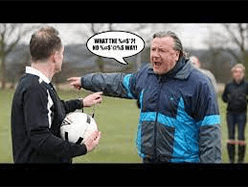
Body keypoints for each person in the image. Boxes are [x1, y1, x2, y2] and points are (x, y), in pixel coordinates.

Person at [68, 31, 221, 163]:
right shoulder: (146, 76)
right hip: (149, 158)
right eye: (153, 49)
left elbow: (210, 131)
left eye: (161, 50)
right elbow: (117, 82)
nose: (155, 54)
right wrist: (85, 81)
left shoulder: (199, 83)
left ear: (177, 54)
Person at [11, 26, 102, 163]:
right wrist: (82, 148)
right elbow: (40, 138)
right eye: (62, 53)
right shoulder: (35, 88)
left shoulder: (37, 83)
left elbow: (54, 109)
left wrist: (81, 102)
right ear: (55, 56)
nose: (62, 58)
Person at [222, 63, 248, 163]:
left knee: (241, 137)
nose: (238, 74)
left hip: (242, 114)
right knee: (231, 136)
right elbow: (224, 97)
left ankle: (240, 160)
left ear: (243, 73)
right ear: (233, 73)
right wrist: (230, 100)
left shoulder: (246, 85)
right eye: (236, 72)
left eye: (240, 72)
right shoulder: (229, 85)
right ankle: (231, 159)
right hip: (231, 114)